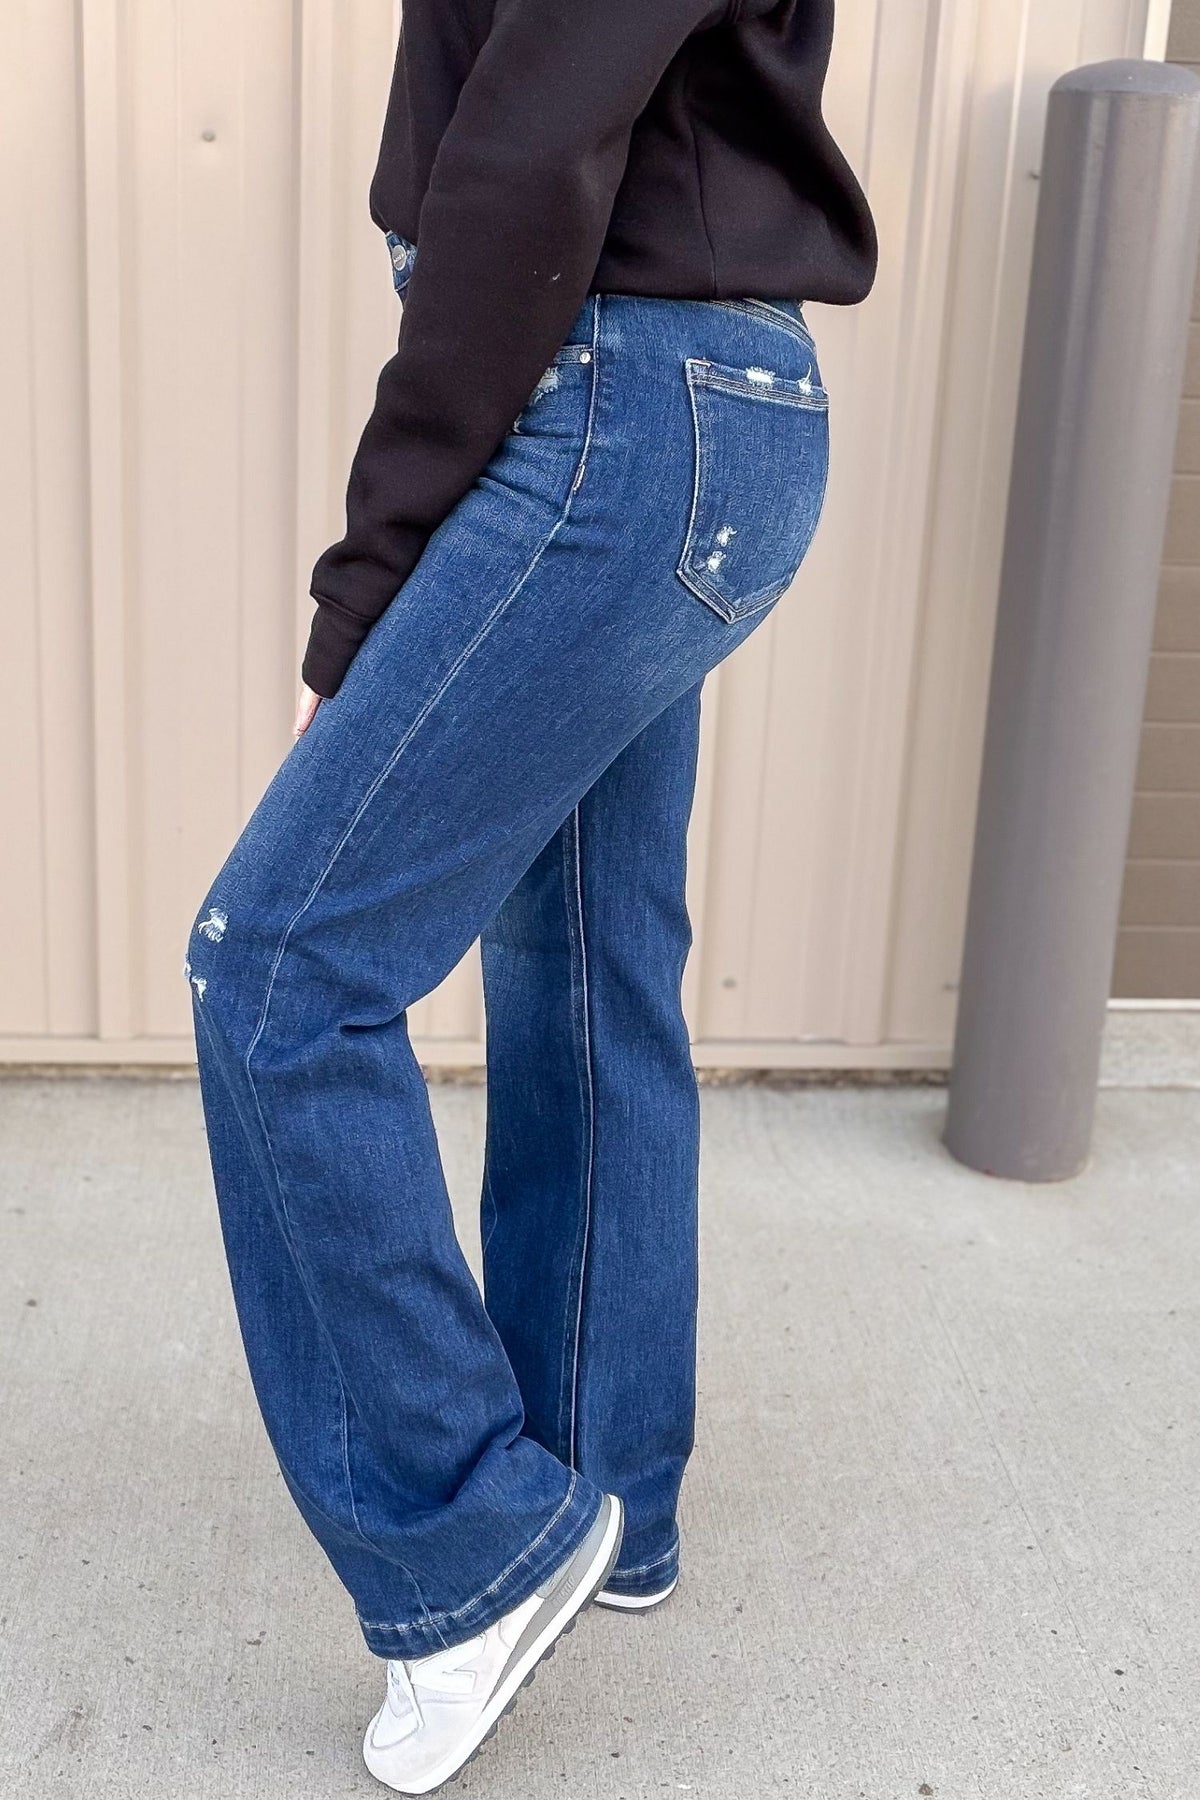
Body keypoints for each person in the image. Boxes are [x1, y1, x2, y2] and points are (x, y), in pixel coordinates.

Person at [185, 0, 877, 1791]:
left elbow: (525, 154)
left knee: (275, 970)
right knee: (588, 966)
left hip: (602, 412)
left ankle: (469, 1551)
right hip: (665, 403)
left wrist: (372, 578)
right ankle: (607, 1497)